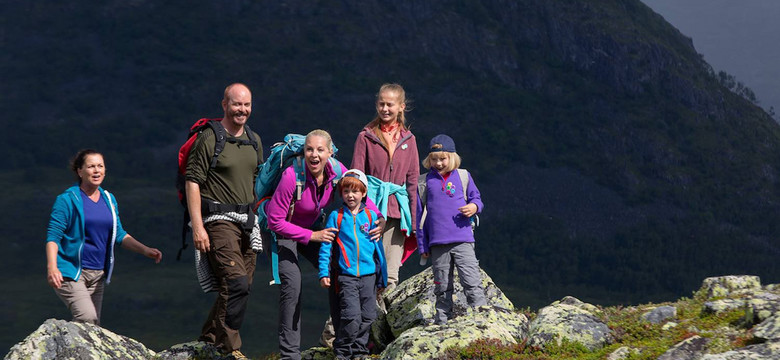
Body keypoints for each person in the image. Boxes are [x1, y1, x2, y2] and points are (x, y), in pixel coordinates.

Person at [266, 130, 384, 360]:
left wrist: (379, 219)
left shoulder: (338, 172)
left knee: (337, 270)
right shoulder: (292, 176)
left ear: (330, 152)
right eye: (309, 149)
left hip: (314, 228)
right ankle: (290, 355)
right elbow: (274, 220)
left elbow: (362, 195)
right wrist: (313, 237)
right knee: (293, 285)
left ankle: (344, 344)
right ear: (304, 151)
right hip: (286, 232)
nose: (314, 155)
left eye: (320, 150)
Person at [185, 83, 263, 359]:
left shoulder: (254, 139)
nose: (242, 110)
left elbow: (256, 181)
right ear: (224, 105)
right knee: (237, 282)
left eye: (247, 105)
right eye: (237, 104)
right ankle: (230, 349)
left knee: (239, 287)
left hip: (247, 222)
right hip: (218, 220)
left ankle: (207, 340)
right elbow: (192, 181)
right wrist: (198, 226)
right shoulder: (209, 137)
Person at [46, 149, 163, 326]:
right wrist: (52, 267)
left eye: (100, 166)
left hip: (98, 274)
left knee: (92, 327)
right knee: (87, 317)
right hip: (71, 272)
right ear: (79, 171)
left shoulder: (109, 199)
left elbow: (119, 234)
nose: (96, 170)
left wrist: (145, 250)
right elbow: (53, 236)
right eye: (91, 166)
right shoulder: (67, 200)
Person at [351, 83, 420, 293]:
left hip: (398, 214)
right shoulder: (366, 137)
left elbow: (413, 182)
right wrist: (357, 211)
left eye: (390, 104)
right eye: (381, 104)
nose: (385, 109)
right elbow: (356, 176)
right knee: (365, 268)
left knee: (390, 274)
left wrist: (415, 222)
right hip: (370, 211)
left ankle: (382, 322)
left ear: (401, 107)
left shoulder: (410, 140)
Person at [416, 134, 486, 325]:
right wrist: (422, 246)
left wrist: (474, 208)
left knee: (471, 279)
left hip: (463, 239)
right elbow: (419, 217)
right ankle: (442, 320)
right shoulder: (424, 182)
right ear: (428, 160)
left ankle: (481, 317)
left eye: (443, 158)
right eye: (434, 159)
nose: (438, 163)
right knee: (441, 284)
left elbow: (477, 199)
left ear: (453, 157)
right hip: (438, 243)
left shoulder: (463, 176)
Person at [318, 169, 387, 360]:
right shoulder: (336, 216)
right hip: (346, 277)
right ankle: (343, 351)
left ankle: (359, 351)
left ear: (364, 192)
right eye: (346, 191)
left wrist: (382, 277)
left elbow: (378, 250)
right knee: (351, 317)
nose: (350, 195)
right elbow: (326, 246)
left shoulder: (372, 216)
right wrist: (324, 272)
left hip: (369, 276)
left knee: (368, 316)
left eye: (355, 191)